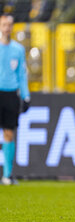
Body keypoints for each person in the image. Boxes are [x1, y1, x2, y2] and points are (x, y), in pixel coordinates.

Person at [0, 14, 30, 185]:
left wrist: (26, 96)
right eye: (4, 24)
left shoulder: (18, 50)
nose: (7, 28)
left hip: (11, 93)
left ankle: (7, 175)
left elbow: (21, 75)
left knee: (9, 133)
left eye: (9, 25)